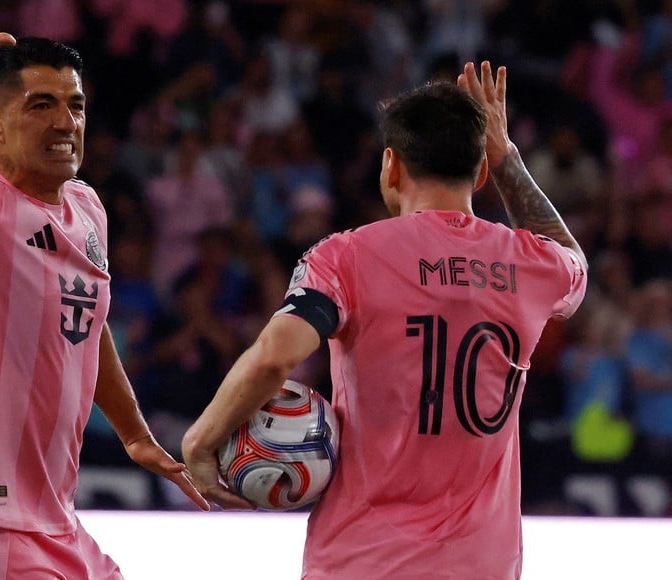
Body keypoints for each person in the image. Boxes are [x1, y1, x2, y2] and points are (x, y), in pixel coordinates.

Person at [182, 61, 588, 578]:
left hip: (363, 559)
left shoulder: (346, 257)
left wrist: (201, 439)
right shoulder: (530, 264)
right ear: (482, 171)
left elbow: (274, 358)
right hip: (481, 564)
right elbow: (572, 258)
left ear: (391, 166)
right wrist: (506, 155)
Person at [0, 1, 208, 578]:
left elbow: (85, 323)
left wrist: (134, 433)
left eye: (74, 105)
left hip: (55, 523)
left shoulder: (86, 206)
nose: (65, 122)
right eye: (41, 105)